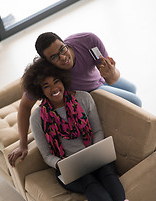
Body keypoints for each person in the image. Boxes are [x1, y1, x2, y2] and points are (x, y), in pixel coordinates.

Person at [9, 57, 132, 201]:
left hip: (94, 154)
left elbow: (97, 130)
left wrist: (95, 150)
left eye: (56, 81)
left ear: (63, 79)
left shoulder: (84, 98)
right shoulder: (37, 118)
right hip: (67, 167)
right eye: (46, 85)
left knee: (108, 173)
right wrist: (61, 164)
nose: (54, 88)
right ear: (40, 90)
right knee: (88, 180)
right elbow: (46, 154)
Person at [8, 32, 142, 164]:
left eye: (62, 49)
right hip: (93, 89)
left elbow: (112, 79)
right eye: (54, 57)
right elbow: (25, 106)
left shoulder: (89, 41)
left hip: (101, 77)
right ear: (47, 62)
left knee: (132, 89)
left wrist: (111, 73)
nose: (63, 57)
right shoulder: (50, 72)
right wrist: (23, 144)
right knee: (136, 101)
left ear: (65, 43)